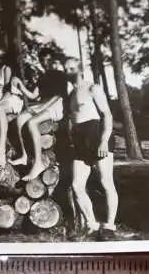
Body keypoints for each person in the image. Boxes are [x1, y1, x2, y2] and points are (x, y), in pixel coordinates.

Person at [63, 56, 119, 240]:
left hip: (96, 135)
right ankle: (92, 225)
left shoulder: (92, 88)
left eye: (71, 68)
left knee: (106, 182)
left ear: (80, 70)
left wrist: (104, 140)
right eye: (66, 69)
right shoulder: (71, 94)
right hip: (80, 139)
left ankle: (109, 227)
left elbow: (107, 115)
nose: (68, 72)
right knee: (77, 185)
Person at [9, 48, 69, 181]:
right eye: (42, 60)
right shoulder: (42, 77)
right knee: (20, 119)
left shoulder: (60, 75)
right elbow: (34, 95)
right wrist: (20, 85)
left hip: (56, 106)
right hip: (42, 105)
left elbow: (58, 95)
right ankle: (24, 156)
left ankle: (38, 164)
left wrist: (42, 107)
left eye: (48, 59)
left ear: (53, 60)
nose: (44, 62)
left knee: (31, 123)